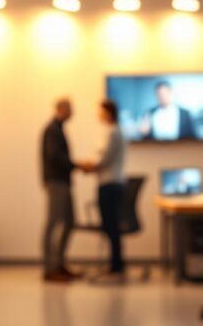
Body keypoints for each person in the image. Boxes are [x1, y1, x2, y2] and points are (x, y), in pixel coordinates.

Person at [81, 99, 128, 279]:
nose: (98, 115)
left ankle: (116, 266)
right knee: (111, 225)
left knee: (111, 226)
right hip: (111, 182)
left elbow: (104, 159)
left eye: (100, 111)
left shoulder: (112, 132)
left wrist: (88, 167)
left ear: (108, 112)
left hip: (109, 184)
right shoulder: (114, 131)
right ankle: (116, 264)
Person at [41, 98, 79, 282]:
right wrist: (77, 165)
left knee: (70, 222)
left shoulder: (58, 128)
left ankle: (60, 264)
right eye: (71, 109)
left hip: (63, 181)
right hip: (57, 182)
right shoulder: (52, 130)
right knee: (54, 223)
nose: (73, 112)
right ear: (62, 109)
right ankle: (50, 268)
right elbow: (54, 156)